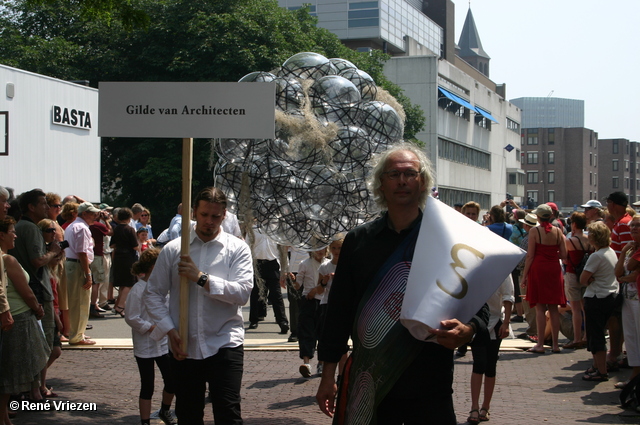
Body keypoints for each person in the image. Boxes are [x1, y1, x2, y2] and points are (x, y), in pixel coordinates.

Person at [316, 143, 488, 424]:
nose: (402, 180)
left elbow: (479, 309)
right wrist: (327, 376)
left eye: (410, 173)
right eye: (393, 174)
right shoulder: (359, 241)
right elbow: (339, 314)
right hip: (371, 380)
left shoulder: (449, 240)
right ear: (380, 184)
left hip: (430, 381)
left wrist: (468, 330)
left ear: (423, 183)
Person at [144, 187, 253, 425]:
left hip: (225, 341)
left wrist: (201, 278)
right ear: (194, 212)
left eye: (215, 216)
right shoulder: (175, 249)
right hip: (185, 342)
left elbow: (242, 292)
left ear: (224, 215)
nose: (209, 221)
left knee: (228, 413)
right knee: (189, 414)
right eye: (204, 215)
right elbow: (153, 293)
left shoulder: (237, 249)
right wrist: (169, 330)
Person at [0, 217, 50, 425]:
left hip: (18, 316)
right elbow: (26, 292)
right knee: (11, 374)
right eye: (12, 231)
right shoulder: (7, 260)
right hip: (19, 319)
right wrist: (37, 308)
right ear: (1, 235)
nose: (15, 235)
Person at [125, 248, 177, 425]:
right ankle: (145, 421)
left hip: (162, 343)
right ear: (152, 267)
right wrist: (149, 327)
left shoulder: (163, 288)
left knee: (171, 380)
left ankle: (164, 409)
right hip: (145, 345)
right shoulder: (138, 289)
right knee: (148, 385)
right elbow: (131, 317)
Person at [521, 204, 567, 354]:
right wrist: (552, 255)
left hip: (538, 268)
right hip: (554, 268)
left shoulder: (535, 231)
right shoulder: (558, 231)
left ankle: (540, 343)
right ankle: (555, 344)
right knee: (553, 308)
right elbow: (564, 255)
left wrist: (525, 275)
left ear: (538, 217)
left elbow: (530, 255)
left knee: (540, 308)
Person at [467, 275, 514, 424]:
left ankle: (485, 407)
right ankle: (474, 406)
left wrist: (506, 323)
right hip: (477, 321)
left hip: (495, 322)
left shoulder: (505, 270)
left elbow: (508, 297)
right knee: (478, 363)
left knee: (490, 365)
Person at [581, 221, 619, 382]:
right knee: (597, 333)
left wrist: (589, 280)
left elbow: (583, 279)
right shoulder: (610, 252)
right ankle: (597, 365)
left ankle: (601, 370)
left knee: (595, 335)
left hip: (596, 298)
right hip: (609, 296)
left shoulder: (596, 256)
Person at [64, 201, 100, 345]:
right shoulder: (82, 228)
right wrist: (88, 274)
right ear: (84, 213)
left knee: (75, 301)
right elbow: (82, 253)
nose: (95, 216)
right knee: (81, 302)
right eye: (92, 213)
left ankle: (78, 332)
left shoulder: (72, 225)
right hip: (78, 266)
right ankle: (77, 336)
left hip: (72, 265)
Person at [37, 218, 64, 398]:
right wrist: (57, 319)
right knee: (50, 349)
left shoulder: (53, 268)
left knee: (53, 350)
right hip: (48, 312)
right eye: (50, 231)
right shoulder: (45, 265)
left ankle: (38, 382)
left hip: (53, 310)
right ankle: (38, 383)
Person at [247, 225, 289, 334]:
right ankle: (254, 320)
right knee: (255, 293)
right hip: (257, 263)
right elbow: (246, 246)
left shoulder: (276, 229)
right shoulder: (253, 229)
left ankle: (282, 321)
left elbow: (282, 250)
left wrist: (285, 269)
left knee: (276, 294)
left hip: (272, 263)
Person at [293, 247, 328, 378]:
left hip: (324, 302)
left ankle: (321, 363)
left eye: (322, 247)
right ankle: (306, 363)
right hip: (308, 301)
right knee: (306, 331)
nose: (320, 251)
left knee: (323, 333)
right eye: (316, 248)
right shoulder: (304, 264)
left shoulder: (329, 264)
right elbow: (298, 285)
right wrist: (292, 280)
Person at [614, 216, 640, 388]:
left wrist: (628, 275)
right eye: (633, 226)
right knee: (631, 337)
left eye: (638, 226)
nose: (634, 229)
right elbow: (618, 272)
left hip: (638, 297)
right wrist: (623, 252)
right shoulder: (630, 249)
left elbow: (630, 268)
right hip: (627, 297)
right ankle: (635, 375)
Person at [316, 237, 345, 378]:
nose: (336, 251)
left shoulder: (348, 265)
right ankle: (327, 373)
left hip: (343, 304)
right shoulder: (324, 267)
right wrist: (323, 282)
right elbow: (319, 290)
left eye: (339, 248)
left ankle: (342, 375)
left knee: (343, 342)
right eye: (334, 248)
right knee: (328, 340)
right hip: (327, 303)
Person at [562, 212, 591, 349]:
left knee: (575, 309)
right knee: (585, 308)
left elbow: (565, 259)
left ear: (574, 224)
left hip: (572, 274)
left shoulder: (570, 241)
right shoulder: (589, 240)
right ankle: (587, 337)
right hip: (586, 275)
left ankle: (577, 338)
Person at [111, 207, 139, 317]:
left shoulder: (116, 229)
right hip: (128, 257)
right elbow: (135, 246)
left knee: (122, 283)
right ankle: (120, 306)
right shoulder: (130, 229)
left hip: (118, 256)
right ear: (129, 217)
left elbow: (112, 245)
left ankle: (118, 304)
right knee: (129, 283)